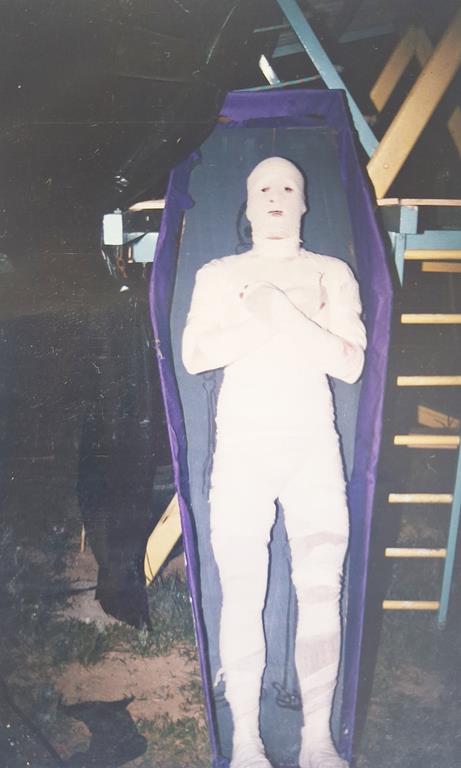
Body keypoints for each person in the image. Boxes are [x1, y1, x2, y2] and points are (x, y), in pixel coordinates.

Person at [182, 157, 366, 768]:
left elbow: (350, 362)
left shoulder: (330, 271)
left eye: (289, 185)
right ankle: (245, 742)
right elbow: (195, 355)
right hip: (243, 451)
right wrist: (268, 317)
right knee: (241, 592)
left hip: (312, 448)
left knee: (321, 589)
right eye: (264, 186)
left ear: (306, 202)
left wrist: (281, 311)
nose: (277, 195)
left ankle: (317, 740)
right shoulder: (219, 274)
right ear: (248, 201)